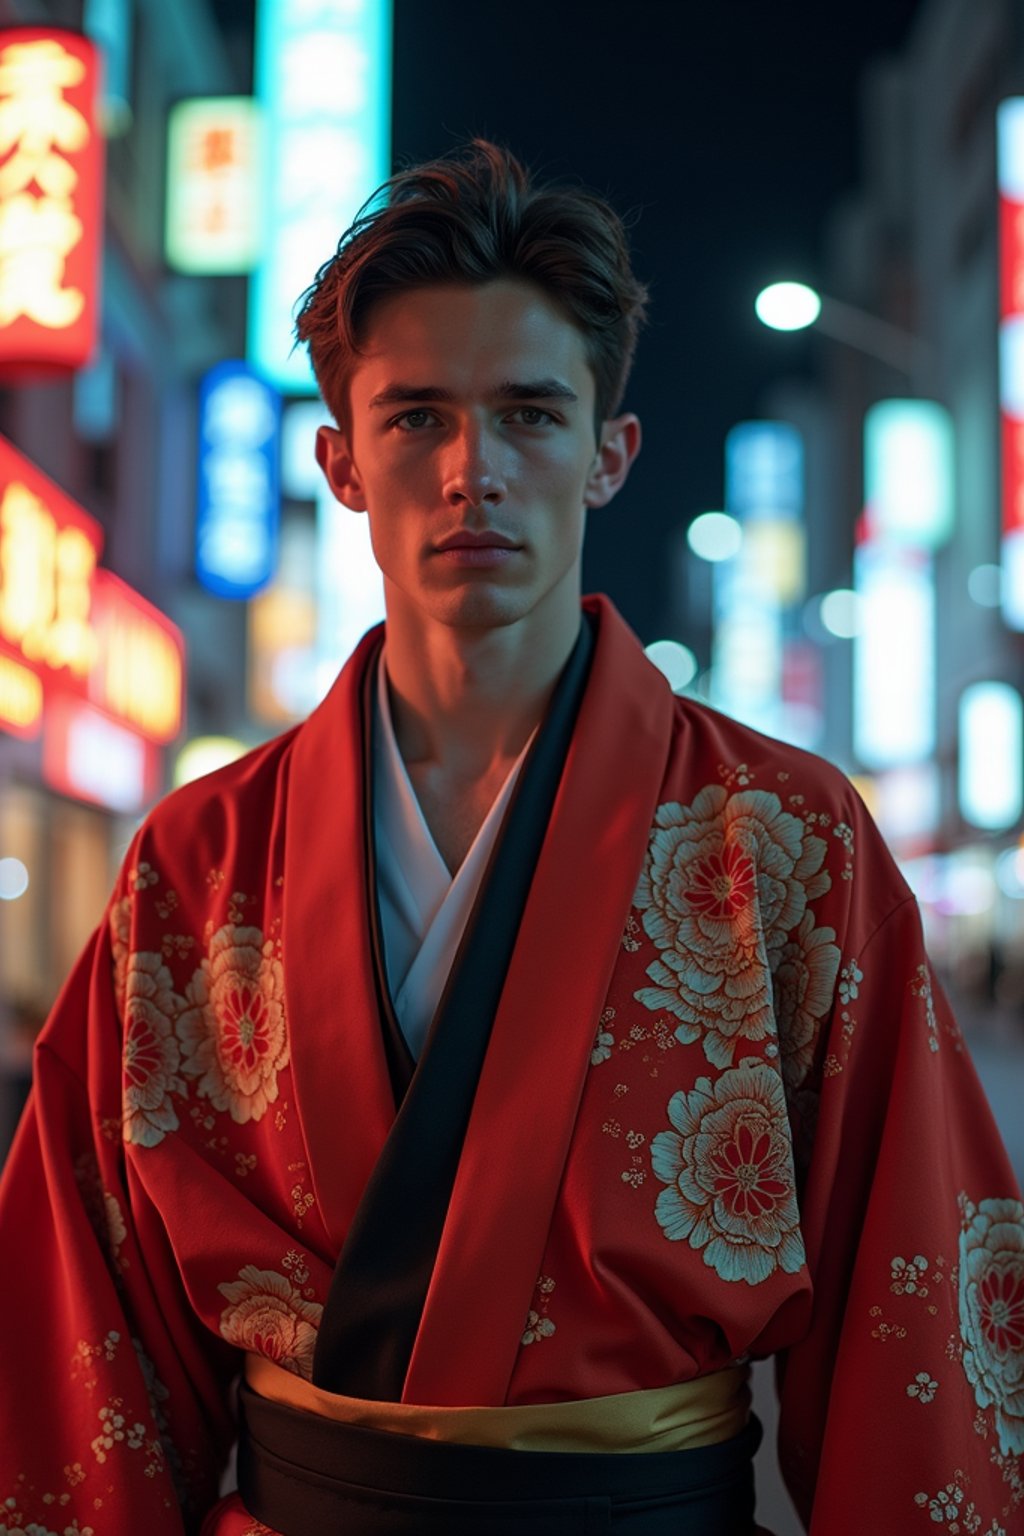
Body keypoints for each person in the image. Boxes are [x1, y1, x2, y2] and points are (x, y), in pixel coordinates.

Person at [0, 139, 1021, 1536]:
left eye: (532, 415)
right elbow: (81, 1332)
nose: (475, 470)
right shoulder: (197, 860)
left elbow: (914, 1304)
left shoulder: (784, 842)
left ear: (611, 454)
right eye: (416, 416)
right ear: (341, 461)